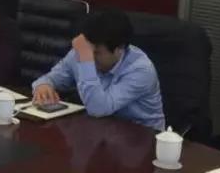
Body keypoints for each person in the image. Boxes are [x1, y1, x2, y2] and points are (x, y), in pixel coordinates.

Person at [31, 10, 165, 131]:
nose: (90, 57)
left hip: (141, 138)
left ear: (119, 49)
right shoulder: (82, 51)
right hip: (99, 130)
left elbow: (98, 109)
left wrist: (85, 58)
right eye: (88, 52)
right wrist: (43, 86)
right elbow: (48, 79)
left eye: (96, 53)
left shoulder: (141, 70)